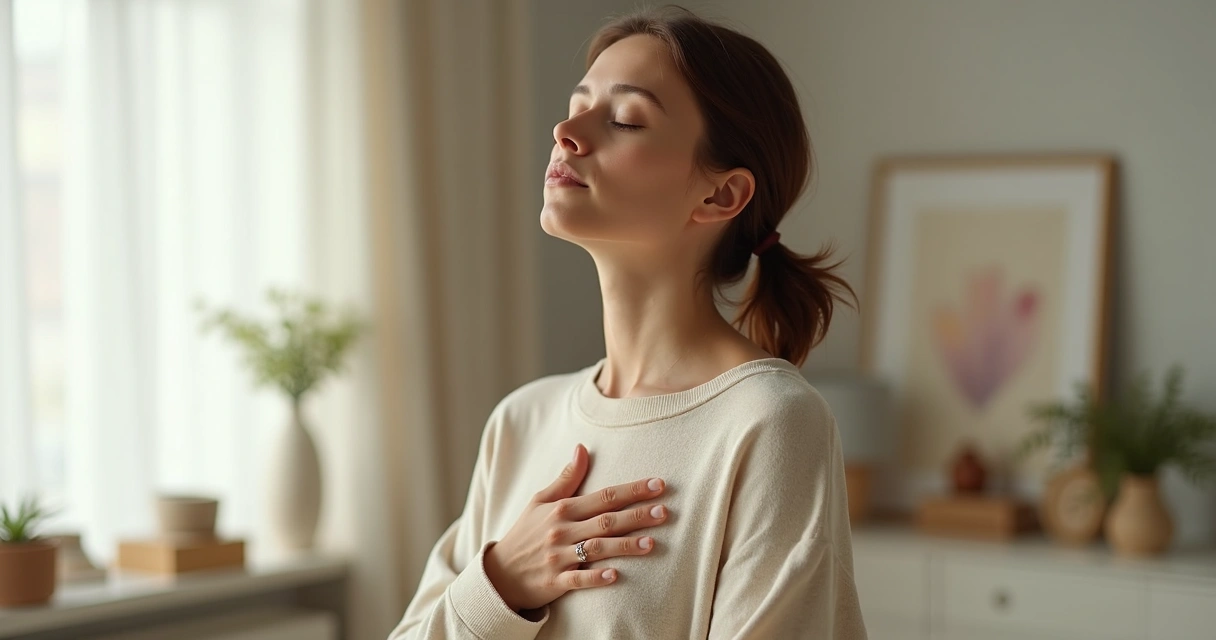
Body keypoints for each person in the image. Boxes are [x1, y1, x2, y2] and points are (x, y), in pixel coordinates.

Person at [389, 5, 866, 639]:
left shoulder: (768, 422)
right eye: (577, 103)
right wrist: (501, 581)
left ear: (720, 195)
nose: (565, 130)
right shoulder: (521, 420)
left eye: (624, 119)